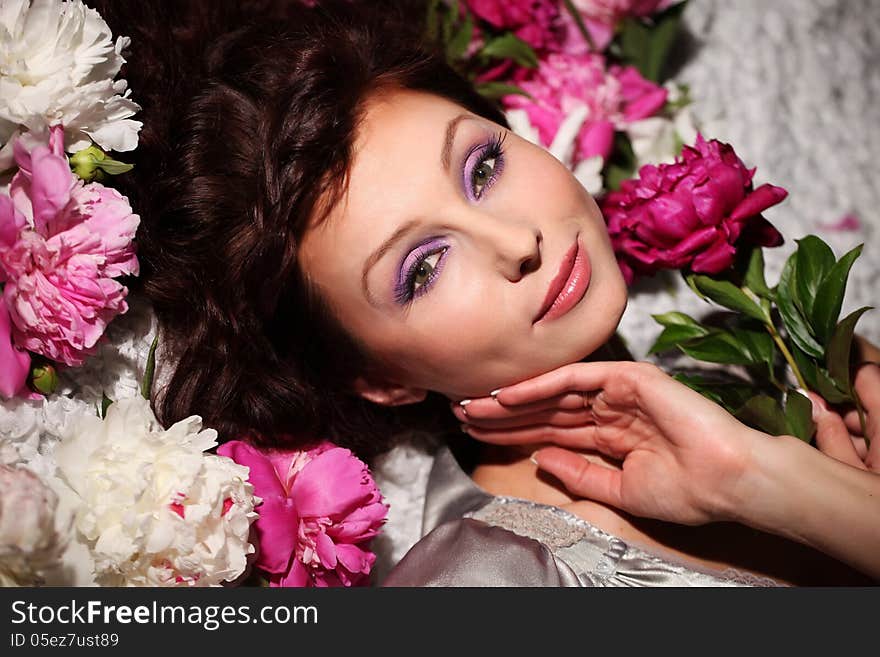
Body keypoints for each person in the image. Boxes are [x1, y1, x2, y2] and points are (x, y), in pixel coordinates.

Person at [94, 0, 880, 585]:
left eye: (482, 168)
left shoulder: (777, 382)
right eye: (423, 268)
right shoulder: (478, 580)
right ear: (381, 378)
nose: (518, 242)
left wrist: (786, 486)